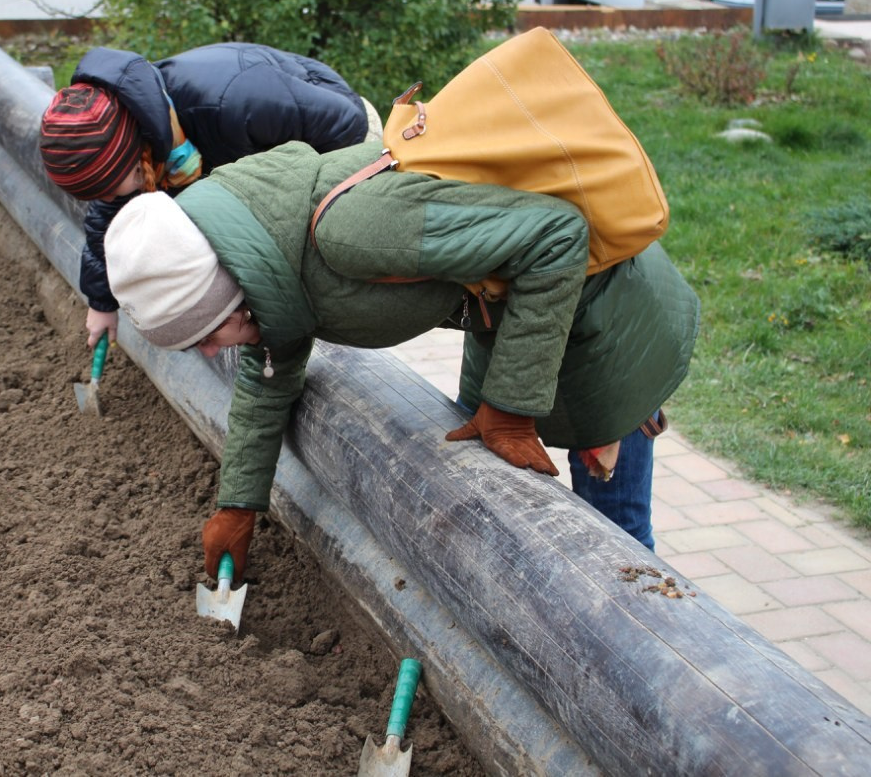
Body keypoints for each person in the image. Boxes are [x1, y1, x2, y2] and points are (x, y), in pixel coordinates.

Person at [102, 141, 700, 580]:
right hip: (514, 322)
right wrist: (238, 504)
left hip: (603, 313)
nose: (212, 352)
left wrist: (511, 409)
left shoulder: (352, 232)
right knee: (492, 489)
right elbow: (268, 375)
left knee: (618, 542)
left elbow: (557, 237)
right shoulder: (266, 272)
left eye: (207, 335)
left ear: (228, 290)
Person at [37, 43, 376, 348]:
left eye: (108, 188)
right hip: (257, 163)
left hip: (345, 141)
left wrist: (286, 225)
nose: (108, 198)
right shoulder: (143, 140)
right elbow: (107, 219)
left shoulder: (233, 103)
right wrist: (101, 303)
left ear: (133, 158)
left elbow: (348, 125)